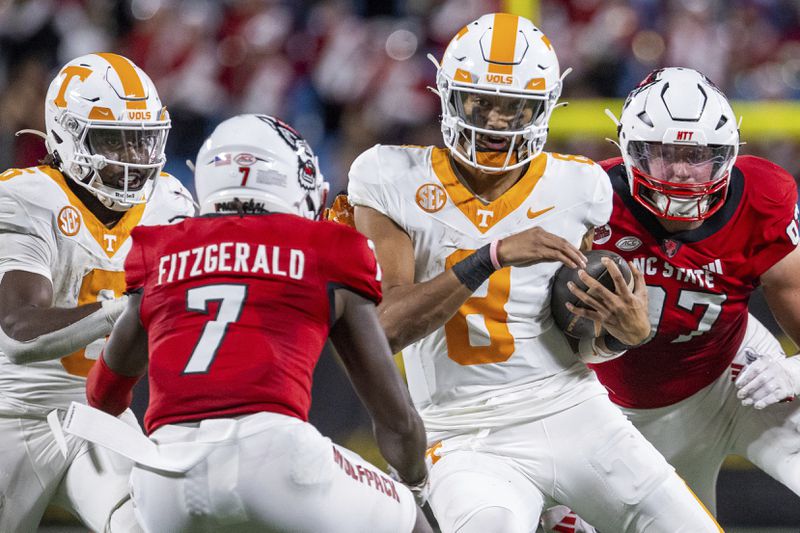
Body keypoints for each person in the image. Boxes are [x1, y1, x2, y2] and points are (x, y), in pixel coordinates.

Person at [346, 13, 722, 533]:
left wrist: (623, 336)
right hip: (461, 431)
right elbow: (384, 328)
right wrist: (490, 256)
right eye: (483, 102)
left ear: (544, 108)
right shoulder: (389, 175)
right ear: (449, 96)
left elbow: (576, 331)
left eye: (514, 106)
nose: (498, 122)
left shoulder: (580, 187)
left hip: (573, 408)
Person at [61, 113, 433, 533]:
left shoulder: (159, 250)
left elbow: (104, 392)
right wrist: (414, 481)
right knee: (407, 517)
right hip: (274, 456)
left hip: (165, 476)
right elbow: (395, 417)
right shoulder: (328, 248)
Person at [574, 67, 800, 514]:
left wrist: (796, 371)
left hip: (739, 376)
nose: (679, 170)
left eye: (697, 154)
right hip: (630, 414)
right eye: (662, 153)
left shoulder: (762, 196)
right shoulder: (586, 199)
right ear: (630, 152)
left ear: (727, 154)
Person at [0, 53, 194, 532]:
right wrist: (126, 310)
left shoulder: (168, 202)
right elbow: (20, 333)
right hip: (10, 411)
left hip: (97, 414)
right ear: (66, 134)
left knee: (148, 521)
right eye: (114, 141)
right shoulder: (28, 197)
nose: (131, 159)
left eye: (141, 142)